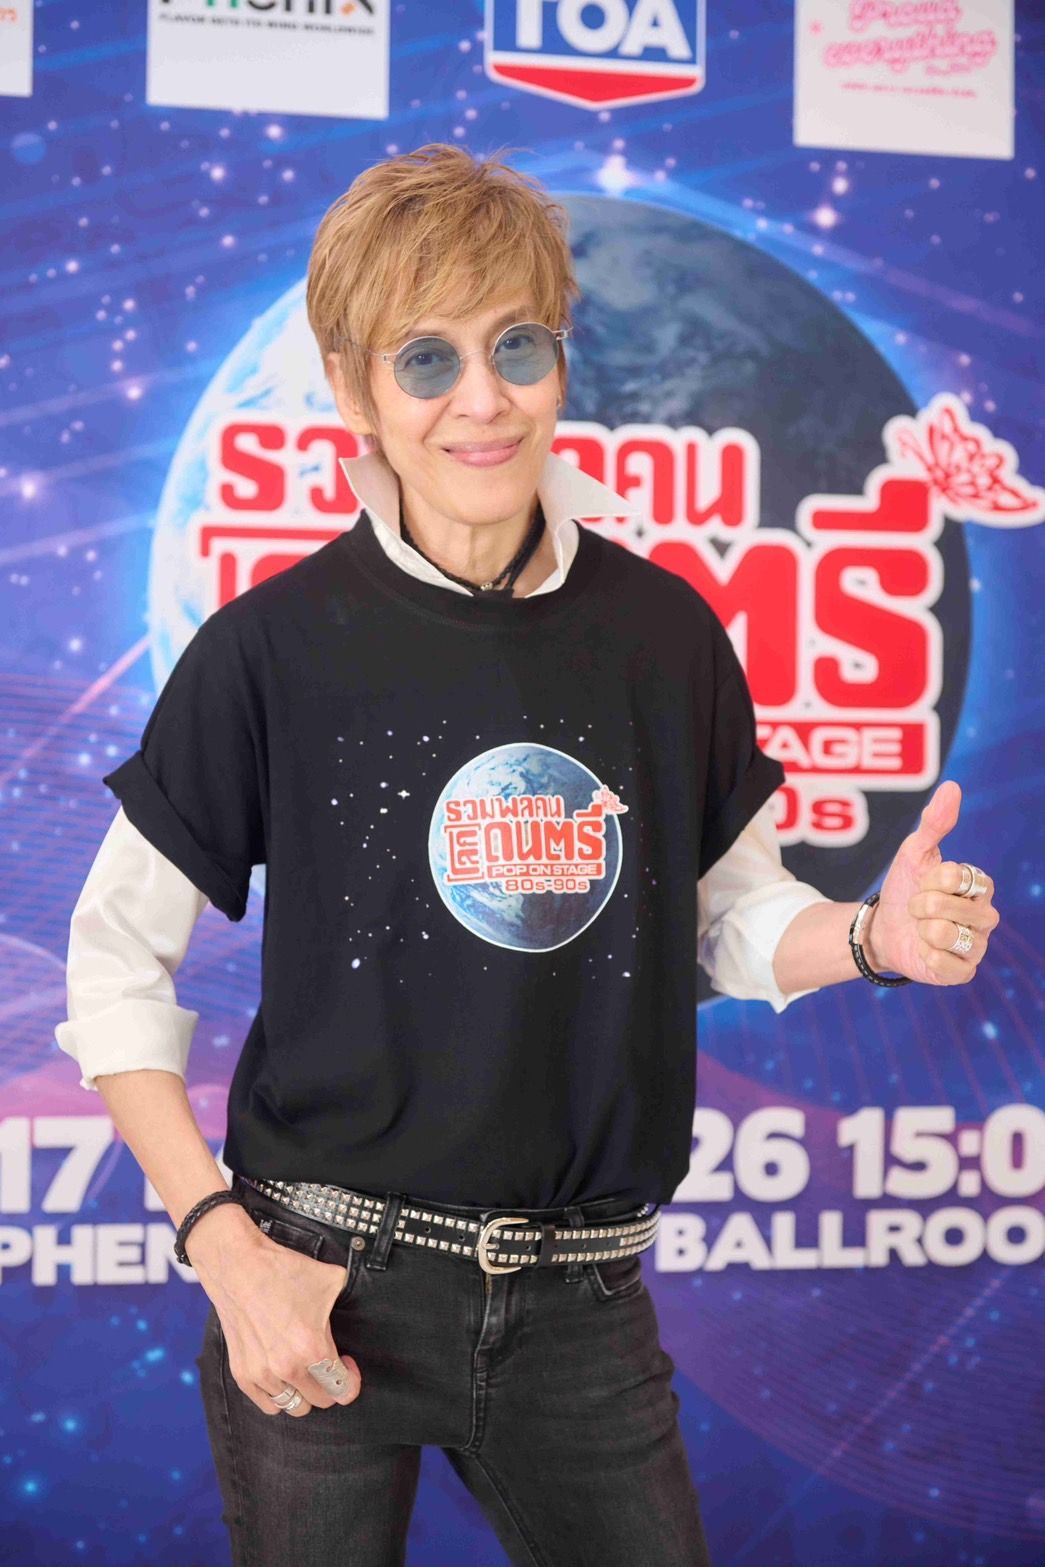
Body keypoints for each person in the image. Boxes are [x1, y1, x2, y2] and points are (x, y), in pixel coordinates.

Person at [54, 144, 1000, 1567]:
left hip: (582, 1307)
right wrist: (223, 1247)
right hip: (316, 1277)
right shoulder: (270, 647)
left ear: (560, 358)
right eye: (425, 360)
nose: (482, 399)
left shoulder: (665, 635)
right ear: (353, 389)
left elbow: (727, 921)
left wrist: (872, 937)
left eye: (517, 346)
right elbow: (115, 962)